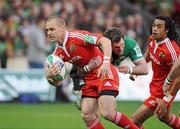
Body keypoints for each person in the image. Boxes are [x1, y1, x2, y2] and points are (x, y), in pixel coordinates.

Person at [45, 16, 139, 129]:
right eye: (47, 30)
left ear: (62, 27)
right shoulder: (57, 53)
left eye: (52, 29)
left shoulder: (77, 37)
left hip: (103, 72)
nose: (49, 33)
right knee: (87, 114)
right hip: (88, 79)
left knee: (108, 113)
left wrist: (105, 62)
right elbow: (57, 83)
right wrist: (50, 77)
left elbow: (105, 41)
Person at [70, 27, 149, 109]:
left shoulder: (131, 44)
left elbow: (145, 69)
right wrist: (87, 68)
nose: (121, 49)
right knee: (89, 111)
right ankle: (78, 90)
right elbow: (79, 71)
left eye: (122, 45)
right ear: (107, 45)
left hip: (106, 72)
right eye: (116, 48)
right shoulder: (97, 46)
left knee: (108, 110)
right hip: (88, 73)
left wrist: (131, 70)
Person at [131, 15, 180, 129]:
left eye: (159, 26)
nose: (154, 29)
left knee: (134, 121)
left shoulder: (170, 51)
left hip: (163, 93)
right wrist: (137, 69)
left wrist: (166, 99)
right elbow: (148, 55)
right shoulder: (153, 40)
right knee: (164, 117)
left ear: (167, 30)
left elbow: (178, 78)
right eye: (153, 26)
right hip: (155, 88)